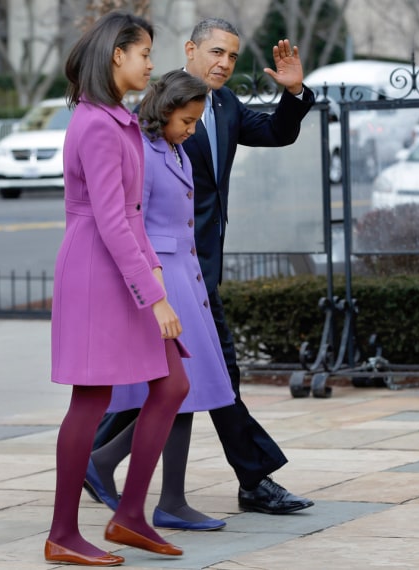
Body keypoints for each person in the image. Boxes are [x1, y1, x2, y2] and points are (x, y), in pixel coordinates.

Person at [89, 17, 317, 518]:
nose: (224, 64)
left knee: (178, 379)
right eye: (216, 52)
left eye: (232, 57)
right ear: (190, 50)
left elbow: (278, 131)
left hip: (200, 268)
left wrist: (296, 92)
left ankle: (99, 459)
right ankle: (249, 480)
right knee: (203, 376)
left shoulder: (228, 105)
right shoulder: (161, 104)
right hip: (166, 272)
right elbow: (132, 206)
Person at [46, 12, 191, 567]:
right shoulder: (98, 124)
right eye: (144, 52)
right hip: (93, 271)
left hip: (119, 268)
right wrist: (153, 294)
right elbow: (110, 220)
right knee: (91, 397)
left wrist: (154, 276)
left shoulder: (115, 119)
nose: (151, 63)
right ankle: (62, 532)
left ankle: (130, 515)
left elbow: (131, 218)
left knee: (172, 383)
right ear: (116, 56)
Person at [87, 69, 239, 533]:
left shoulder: (171, 148)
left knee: (182, 389)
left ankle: (112, 465)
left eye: (196, 122)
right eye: (187, 121)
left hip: (184, 277)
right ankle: (164, 496)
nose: (192, 130)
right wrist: (153, 291)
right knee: (178, 389)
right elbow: (132, 225)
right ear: (165, 111)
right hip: (162, 280)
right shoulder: (143, 152)